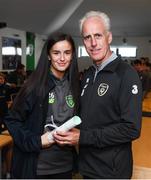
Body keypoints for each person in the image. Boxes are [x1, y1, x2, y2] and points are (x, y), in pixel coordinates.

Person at [53, 11, 142, 179]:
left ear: (109, 37)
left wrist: (83, 137)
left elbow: (131, 129)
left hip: (111, 171)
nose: (93, 43)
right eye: (87, 37)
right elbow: (87, 116)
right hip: (87, 167)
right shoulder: (88, 74)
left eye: (98, 35)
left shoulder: (126, 74)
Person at [4, 32, 80, 179]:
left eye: (67, 52)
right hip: (37, 168)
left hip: (65, 166)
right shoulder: (34, 86)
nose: (62, 58)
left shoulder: (75, 86)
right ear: (48, 55)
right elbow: (12, 121)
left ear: (72, 55)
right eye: (56, 53)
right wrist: (36, 141)